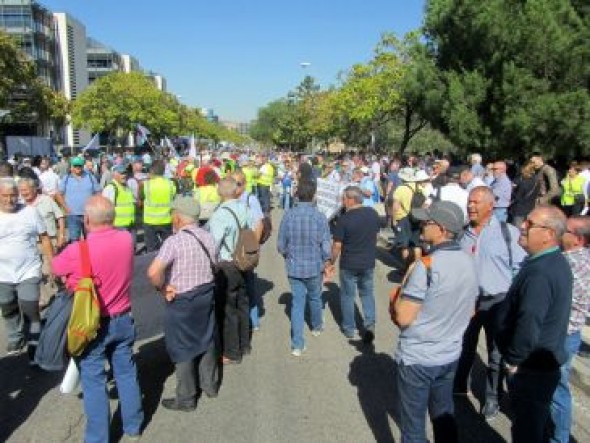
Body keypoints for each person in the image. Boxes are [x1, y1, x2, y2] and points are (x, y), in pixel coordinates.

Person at [52, 196, 143, 442]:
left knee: (93, 382)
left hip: (93, 324)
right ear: (112, 217)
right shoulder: (127, 239)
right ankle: (133, 425)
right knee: (126, 372)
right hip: (123, 317)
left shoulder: (78, 250)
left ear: (87, 219)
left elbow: (55, 267)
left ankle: (98, 438)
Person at [392, 201, 478, 443]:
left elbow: (403, 317)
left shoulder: (426, 266)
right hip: (450, 355)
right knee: (444, 416)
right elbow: (470, 311)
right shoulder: (469, 260)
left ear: (440, 229)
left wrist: (406, 280)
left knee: (413, 428)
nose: (422, 225)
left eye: (427, 222)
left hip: (418, 358)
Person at [496, 206, 572, 443]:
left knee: (527, 431)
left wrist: (514, 360)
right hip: (538, 364)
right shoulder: (550, 262)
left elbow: (529, 322)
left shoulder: (540, 272)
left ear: (549, 234)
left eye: (530, 224)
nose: (522, 226)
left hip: (531, 368)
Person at [454, 186, 527, 420]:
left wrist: (514, 303)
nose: (470, 206)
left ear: (490, 206)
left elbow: (520, 268)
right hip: (468, 301)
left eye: (475, 202)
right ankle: (458, 388)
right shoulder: (462, 234)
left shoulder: (509, 233)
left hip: (499, 302)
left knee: (496, 355)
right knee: (464, 346)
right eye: (469, 202)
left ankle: (492, 398)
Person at [147, 196, 219, 411]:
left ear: (177, 217)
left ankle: (187, 398)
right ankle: (210, 384)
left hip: (183, 300)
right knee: (207, 338)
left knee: (182, 346)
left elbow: (153, 272)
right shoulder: (208, 236)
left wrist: (162, 288)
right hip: (206, 293)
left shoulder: (174, 242)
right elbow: (214, 263)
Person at [277, 180, 332, 357]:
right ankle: (316, 326)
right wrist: (326, 261)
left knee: (297, 304)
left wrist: (288, 254)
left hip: (294, 267)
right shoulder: (320, 217)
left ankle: (297, 344)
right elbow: (325, 244)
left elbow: (280, 245)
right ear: (314, 196)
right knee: (315, 297)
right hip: (314, 266)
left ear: (297, 195)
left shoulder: (288, 215)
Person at [0, 177, 53, 358]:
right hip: (2, 274)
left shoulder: (30, 212)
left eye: (13, 195)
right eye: (5, 196)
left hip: (28, 269)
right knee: (7, 305)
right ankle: (15, 335)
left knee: (30, 306)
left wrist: (52, 263)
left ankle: (34, 345)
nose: (10, 200)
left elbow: (44, 238)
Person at [549, 216, 590, 443]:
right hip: (562, 334)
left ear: (578, 239)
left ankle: (559, 438)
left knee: (558, 389)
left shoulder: (575, 265)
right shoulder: (568, 258)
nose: (560, 231)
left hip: (562, 336)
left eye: (566, 229)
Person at [207, 177, 251, 364]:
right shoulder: (244, 207)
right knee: (242, 303)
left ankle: (231, 352)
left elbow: (214, 245)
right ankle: (244, 343)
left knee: (227, 309)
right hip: (243, 260)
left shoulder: (221, 214)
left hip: (227, 263)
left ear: (220, 191)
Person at [331, 186, 381, 341]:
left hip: (349, 264)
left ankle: (349, 328)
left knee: (347, 296)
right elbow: (376, 235)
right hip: (368, 262)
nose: (342, 201)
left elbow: (337, 246)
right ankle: (370, 324)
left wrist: (330, 262)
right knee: (367, 293)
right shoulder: (373, 213)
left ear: (351, 199)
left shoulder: (344, 219)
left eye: (344, 198)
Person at [18, 177, 65, 308]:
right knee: (37, 273)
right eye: (21, 190)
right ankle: (44, 300)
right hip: (30, 244)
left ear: (34, 189)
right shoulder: (20, 205)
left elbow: (60, 216)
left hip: (49, 241)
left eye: (26, 190)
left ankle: (60, 295)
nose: (23, 193)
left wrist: (61, 234)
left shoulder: (47, 200)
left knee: (52, 270)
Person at [233, 170, 265, 331]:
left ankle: (253, 320)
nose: (235, 187)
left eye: (238, 184)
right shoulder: (228, 199)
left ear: (244, 184)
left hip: (246, 250)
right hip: (231, 251)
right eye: (232, 183)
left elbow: (259, 224)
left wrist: (254, 247)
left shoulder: (250, 200)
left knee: (249, 286)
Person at [55, 156, 101, 242]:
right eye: (75, 166)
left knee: (91, 240)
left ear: (82, 166)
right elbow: (58, 194)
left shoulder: (90, 177)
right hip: (73, 215)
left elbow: (98, 192)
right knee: (74, 240)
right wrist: (66, 207)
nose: (77, 168)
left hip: (89, 215)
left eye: (79, 166)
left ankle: (89, 255)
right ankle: (77, 255)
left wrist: (95, 206)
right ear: (71, 166)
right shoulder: (67, 178)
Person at [142, 160, 176, 252]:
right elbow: (173, 197)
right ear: (164, 171)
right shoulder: (170, 184)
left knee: (151, 249)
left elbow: (141, 199)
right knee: (168, 248)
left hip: (150, 221)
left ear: (152, 171)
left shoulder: (146, 184)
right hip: (166, 220)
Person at [103, 164, 136, 241]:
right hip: (118, 226)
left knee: (131, 248)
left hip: (131, 224)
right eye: (121, 173)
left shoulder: (126, 186)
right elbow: (106, 209)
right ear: (114, 174)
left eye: (125, 173)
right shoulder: (111, 188)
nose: (124, 175)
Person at [509, 161, 539, 228]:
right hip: (531, 208)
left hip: (519, 208)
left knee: (516, 230)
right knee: (526, 229)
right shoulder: (536, 180)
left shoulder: (520, 179)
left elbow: (516, 194)